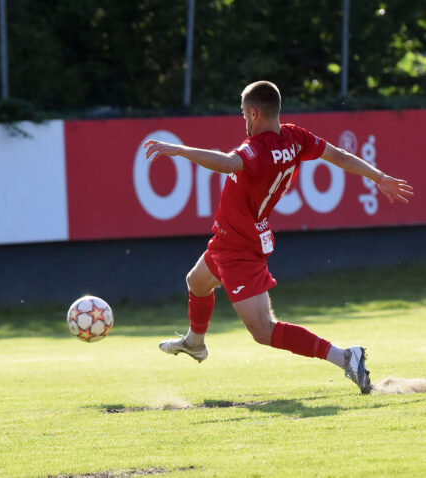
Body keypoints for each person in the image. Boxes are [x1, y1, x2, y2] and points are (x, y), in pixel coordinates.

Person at [143, 81, 413, 394]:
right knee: (197, 282)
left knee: (263, 330)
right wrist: (379, 177)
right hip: (230, 237)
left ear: (254, 113)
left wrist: (182, 150)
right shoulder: (295, 137)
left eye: (244, 113)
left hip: (239, 246)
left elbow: (229, 162)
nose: (244, 120)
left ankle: (345, 357)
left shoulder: (257, 148)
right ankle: (195, 343)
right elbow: (338, 155)